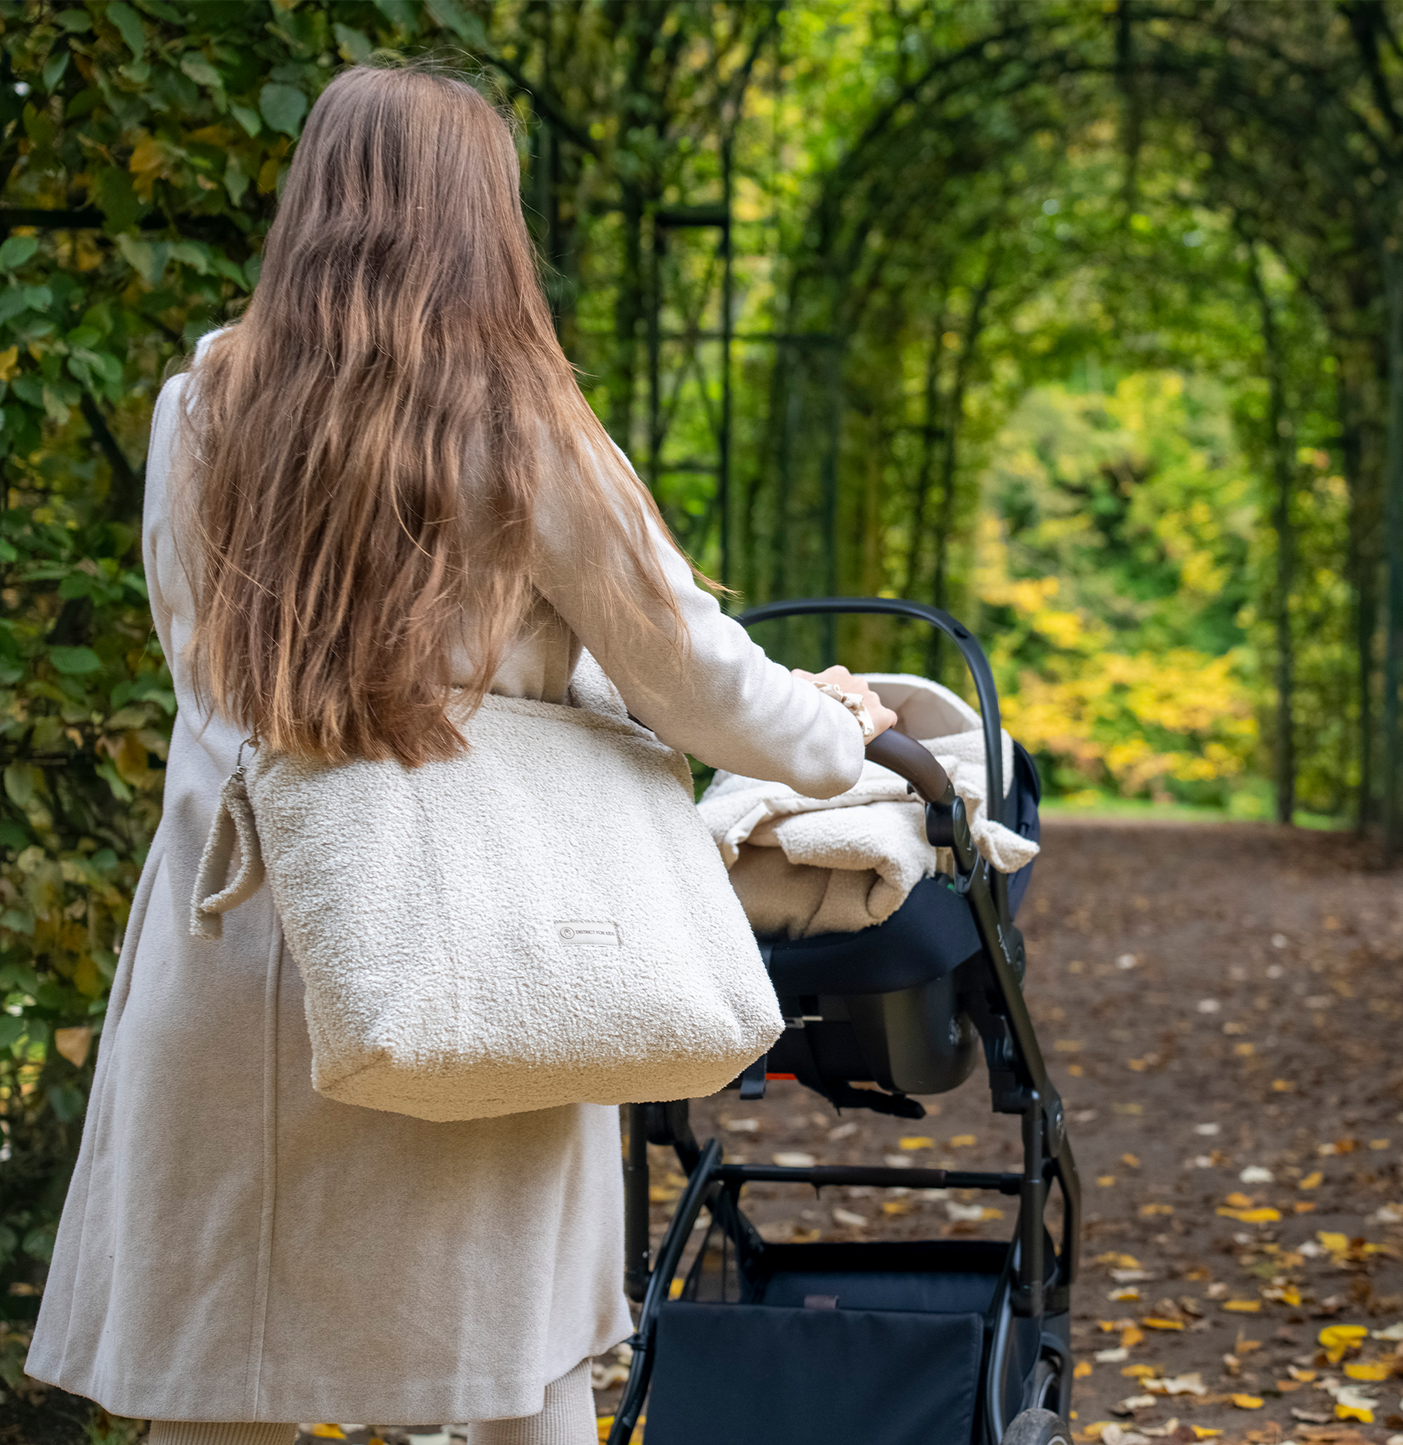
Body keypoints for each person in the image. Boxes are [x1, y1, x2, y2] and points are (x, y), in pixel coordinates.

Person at [25, 64, 895, 1445]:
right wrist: (837, 736)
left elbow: (206, 663)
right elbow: (695, 676)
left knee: (226, 1375)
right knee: (514, 1373)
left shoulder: (202, 407)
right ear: (479, 219)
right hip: (475, 941)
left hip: (240, 943)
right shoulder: (520, 426)